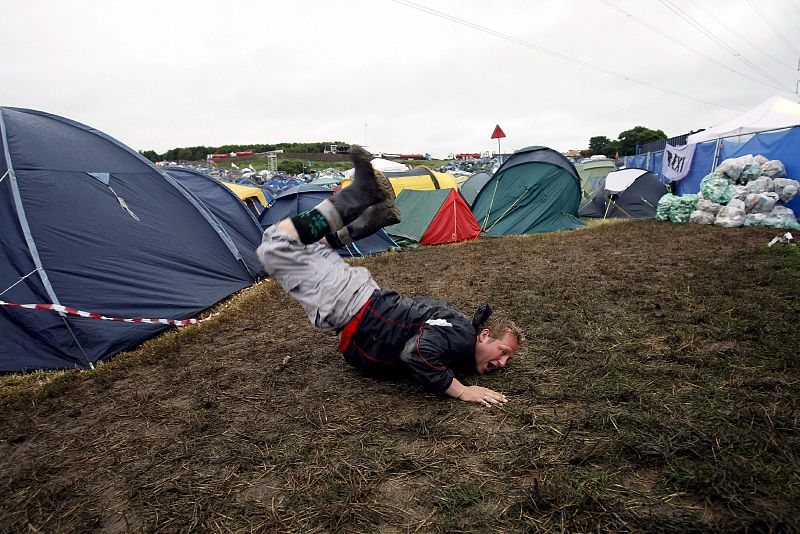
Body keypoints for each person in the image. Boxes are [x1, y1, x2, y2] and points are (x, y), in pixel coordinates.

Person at [256, 147, 523, 407]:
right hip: (355, 307)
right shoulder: (461, 339)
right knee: (274, 246)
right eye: (503, 353)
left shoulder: (458, 327)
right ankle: (358, 196)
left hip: (364, 300)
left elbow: (419, 310)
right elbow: (416, 354)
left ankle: (363, 223)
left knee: (291, 242)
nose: (501, 363)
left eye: (506, 360)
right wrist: (461, 390)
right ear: (484, 336)